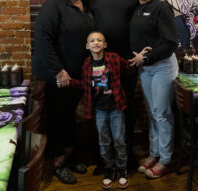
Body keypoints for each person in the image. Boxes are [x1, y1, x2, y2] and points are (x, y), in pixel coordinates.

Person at [57, 32, 146, 189]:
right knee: (103, 142)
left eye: (99, 40)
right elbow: (84, 85)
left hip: (116, 108)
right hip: (99, 110)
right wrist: (69, 82)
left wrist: (139, 59)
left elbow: (129, 66)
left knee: (119, 140)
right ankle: (109, 168)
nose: (96, 42)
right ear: (87, 46)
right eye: (92, 40)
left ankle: (122, 169)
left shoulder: (113, 58)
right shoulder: (86, 64)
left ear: (105, 44)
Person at [32, 0, 95, 184]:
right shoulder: (54, 6)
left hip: (77, 76)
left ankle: (69, 156)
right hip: (59, 76)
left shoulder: (84, 7)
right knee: (58, 118)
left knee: (69, 117)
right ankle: (58, 162)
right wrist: (58, 70)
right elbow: (42, 40)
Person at [85, 0, 139, 168]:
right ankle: (103, 157)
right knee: (100, 107)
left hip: (126, 61)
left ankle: (127, 156)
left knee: (128, 107)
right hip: (100, 62)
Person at [129, 0, 179, 179]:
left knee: (161, 113)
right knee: (152, 113)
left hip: (162, 67)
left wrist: (146, 58)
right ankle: (154, 154)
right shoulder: (138, 9)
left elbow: (170, 43)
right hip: (146, 70)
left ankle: (165, 160)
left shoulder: (161, 7)